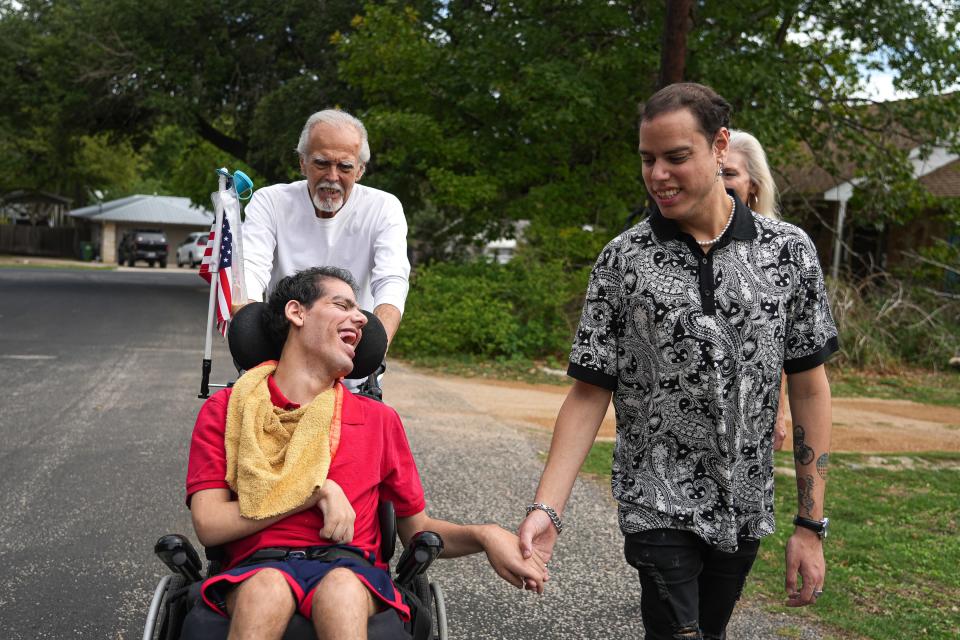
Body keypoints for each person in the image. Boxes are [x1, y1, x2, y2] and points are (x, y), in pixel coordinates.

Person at [518, 83, 838, 639]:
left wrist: (811, 525)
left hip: (743, 503)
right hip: (655, 497)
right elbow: (590, 391)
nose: (658, 174)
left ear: (719, 147)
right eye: (648, 159)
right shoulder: (624, 259)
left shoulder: (789, 251)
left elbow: (809, 387)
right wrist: (548, 508)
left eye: (675, 157)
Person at [187, 266, 546, 640]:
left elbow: (418, 531)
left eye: (359, 310)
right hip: (256, 568)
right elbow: (210, 524)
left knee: (340, 588)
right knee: (268, 588)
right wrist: (313, 493)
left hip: (351, 570)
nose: (360, 318)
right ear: (297, 313)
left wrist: (486, 535)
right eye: (341, 304)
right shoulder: (229, 410)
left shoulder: (378, 420)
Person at [241, 109, 409, 348]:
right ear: (302, 162)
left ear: (360, 170)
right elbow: (251, 268)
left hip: (353, 354)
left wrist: (376, 346)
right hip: (282, 355)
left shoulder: (384, 207)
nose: (332, 176)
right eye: (321, 163)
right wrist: (249, 334)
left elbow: (391, 279)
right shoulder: (270, 201)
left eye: (345, 167)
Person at [722, 128, 788, 450]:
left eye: (730, 173)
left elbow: (782, 346)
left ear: (754, 186)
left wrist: (780, 413)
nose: (720, 181)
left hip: (751, 425)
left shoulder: (780, 254)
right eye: (716, 171)